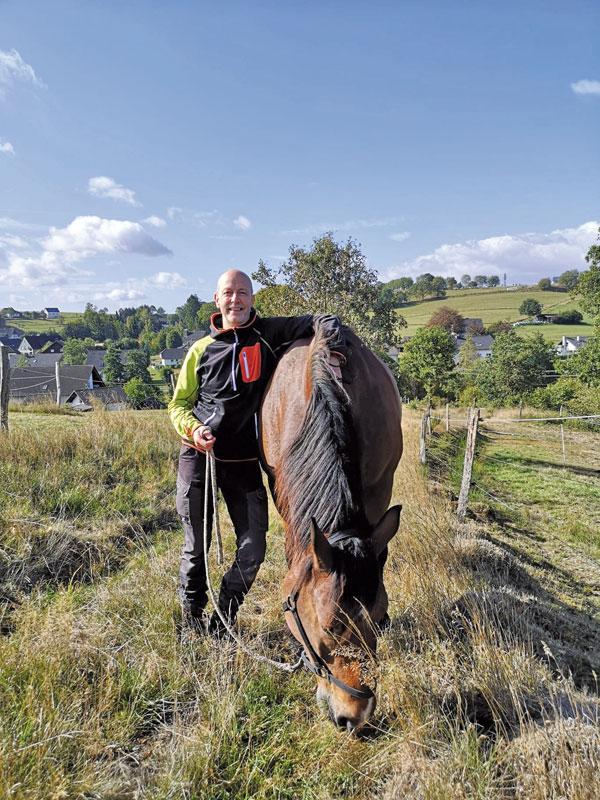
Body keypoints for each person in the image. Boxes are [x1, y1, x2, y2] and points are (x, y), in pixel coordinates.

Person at [168, 269, 346, 636]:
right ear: (216, 300)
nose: (236, 299)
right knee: (196, 547)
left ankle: (224, 618)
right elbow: (178, 405)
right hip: (199, 458)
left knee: (253, 549)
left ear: (252, 298)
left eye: (243, 292)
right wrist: (194, 430)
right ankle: (191, 618)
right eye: (228, 293)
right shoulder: (199, 351)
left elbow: (314, 322)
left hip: (243, 462)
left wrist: (333, 331)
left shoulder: (270, 335)